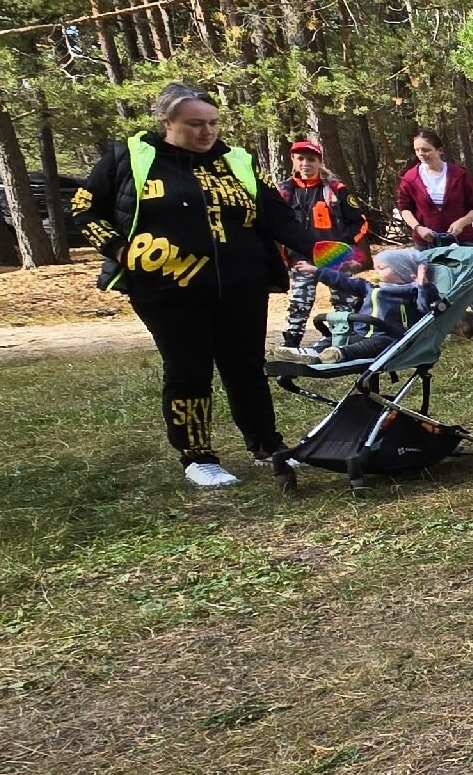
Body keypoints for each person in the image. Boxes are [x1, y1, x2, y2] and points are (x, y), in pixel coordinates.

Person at [71, 81, 305, 489]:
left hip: (241, 285)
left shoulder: (238, 161)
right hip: (167, 285)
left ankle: (267, 445)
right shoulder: (132, 157)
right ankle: (197, 456)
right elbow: (84, 209)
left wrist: (320, 248)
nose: (207, 132)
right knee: (188, 368)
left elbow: (276, 217)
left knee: (246, 367)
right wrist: (117, 249)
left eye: (213, 123)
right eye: (195, 124)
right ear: (166, 121)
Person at [395, 125, 473, 343]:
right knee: (429, 285)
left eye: (426, 149)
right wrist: (418, 228)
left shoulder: (459, 175)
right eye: (417, 150)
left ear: (440, 150)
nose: (421, 154)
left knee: (472, 283)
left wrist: (462, 222)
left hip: (460, 240)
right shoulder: (410, 178)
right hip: (427, 240)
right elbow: (404, 207)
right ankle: (435, 330)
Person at [274, 137, 371, 352]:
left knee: (344, 299)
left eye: (311, 159)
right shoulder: (283, 191)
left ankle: (345, 340)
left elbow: (359, 221)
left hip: (335, 256)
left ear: (319, 162)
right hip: (300, 255)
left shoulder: (335, 189)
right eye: (300, 159)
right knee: (300, 301)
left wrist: (342, 246)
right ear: (293, 160)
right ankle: (291, 343)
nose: (305, 164)